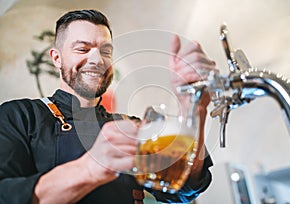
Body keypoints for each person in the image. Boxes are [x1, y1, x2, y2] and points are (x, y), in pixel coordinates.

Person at [0, 9, 217, 203]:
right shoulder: (19, 116)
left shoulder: (131, 126)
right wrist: (90, 168)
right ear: (57, 58)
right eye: (83, 49)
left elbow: (184, 187)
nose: (97, 60)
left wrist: (194, 106)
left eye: (106, 51)